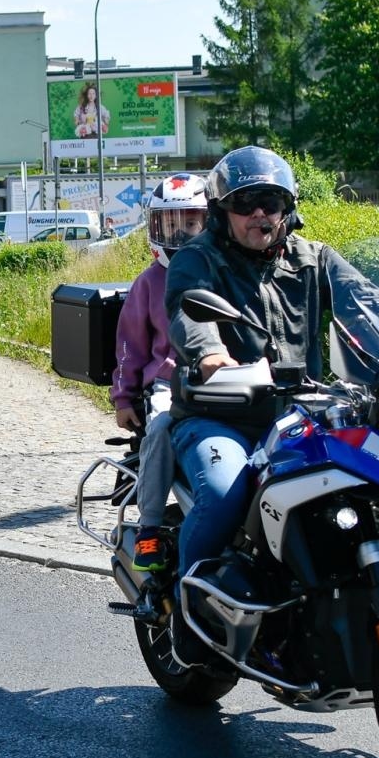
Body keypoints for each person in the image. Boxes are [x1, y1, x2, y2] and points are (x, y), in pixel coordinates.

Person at [164, 146, 366, 667]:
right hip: (221, 413)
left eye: (271, 202)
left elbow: (369, 302)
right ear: (221, 210)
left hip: (301, 417)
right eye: (246, 202)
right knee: (227, 491)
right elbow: (188, 310)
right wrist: (209, 353)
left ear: (288, 208)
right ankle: (188, 621)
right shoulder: (199, 258)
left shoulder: (314, 259)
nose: (260, 213)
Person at [112, 174, 208, 575]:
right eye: (170, 223)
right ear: (154, 226)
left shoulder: (221, 271)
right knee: (161, 429)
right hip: (168, 383)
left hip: (222, 380)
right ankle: (149, 525)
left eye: (190, 222)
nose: (180, 232)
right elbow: (129, 346)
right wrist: (123, 397)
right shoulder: (149, 282)